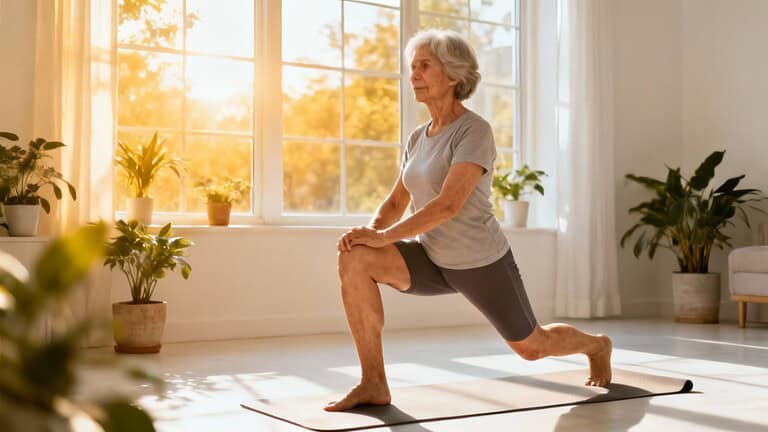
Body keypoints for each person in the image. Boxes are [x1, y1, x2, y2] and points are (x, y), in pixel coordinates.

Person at [326, 29, 612, 412]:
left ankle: (596, 345)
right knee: (354, 257)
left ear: (454, 75)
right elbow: (397, 200)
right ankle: (374, 382)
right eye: (412, 66)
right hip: (431, 259)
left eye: (425, 65)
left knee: (532, 347)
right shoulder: (417, 138)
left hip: (481, 262)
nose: (414, 74)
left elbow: (448, 206)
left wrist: (385, 238)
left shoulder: (475, 131)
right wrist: (369, 234)